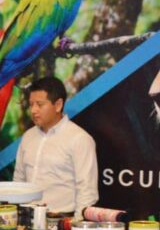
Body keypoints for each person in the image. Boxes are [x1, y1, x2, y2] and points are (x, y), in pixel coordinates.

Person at [13, 77, 98, 218]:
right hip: (26, 218)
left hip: (62, 220)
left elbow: (87, 191)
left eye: (40, 104)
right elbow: (19, 180)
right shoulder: (28, 136)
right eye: (31, 104)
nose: (33, 110)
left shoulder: (79, 139)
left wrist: (76, 225)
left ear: (58, 105)